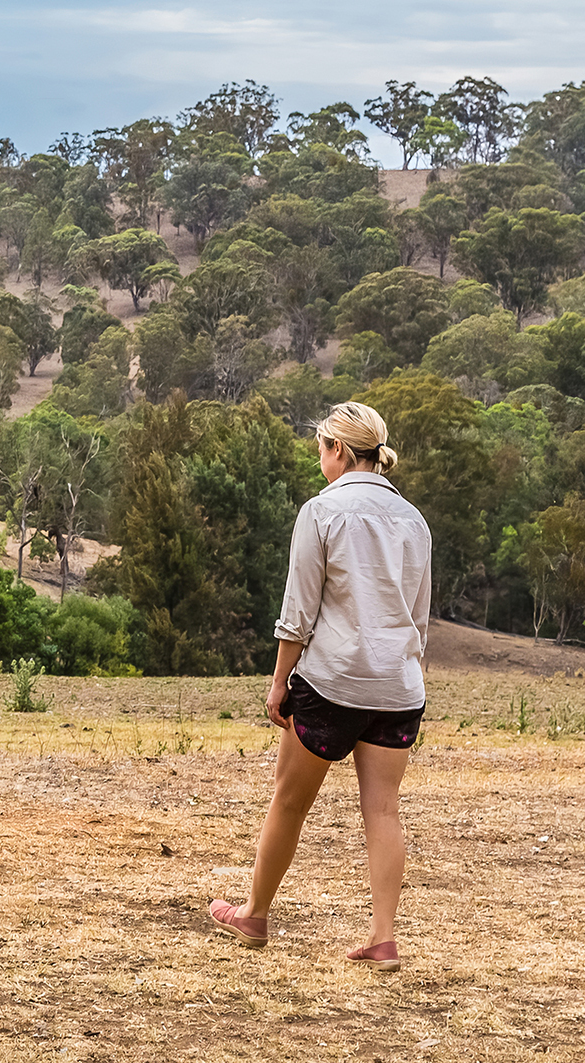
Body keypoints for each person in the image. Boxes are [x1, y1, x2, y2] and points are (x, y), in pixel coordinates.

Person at [207, 401, 431, 972]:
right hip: (399, 686)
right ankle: (384, 938)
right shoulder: (414, 520)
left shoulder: (321, 511)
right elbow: (419, 617)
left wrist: (279, 682)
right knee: (383, 810)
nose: (319, 459)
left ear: (337, 450)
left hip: (333, 681)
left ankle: (254, 914)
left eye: (321, 449)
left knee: (289, 801)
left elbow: (298, 611)